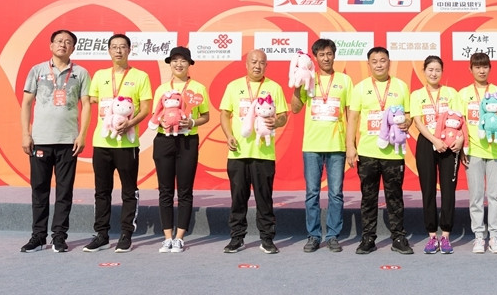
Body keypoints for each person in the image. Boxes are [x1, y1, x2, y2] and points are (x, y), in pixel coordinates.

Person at [19, 29, 91, 253]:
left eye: (68, 42)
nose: (63, 45)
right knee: (39, 190)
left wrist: (82, 135)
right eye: (59, 41)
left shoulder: (81, 73)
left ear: (73, 48)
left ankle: (59, 236)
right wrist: (25, 134)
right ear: (51, 46)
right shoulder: (37, 70)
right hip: (40, 140)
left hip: (68, 141)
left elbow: (86, 104)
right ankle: (38, 236)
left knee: (64, 191)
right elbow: (26, 103)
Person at [84, 33, 152, 253]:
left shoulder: (140, 76)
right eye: (114, 47)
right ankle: (101, 235)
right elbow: (91, 99)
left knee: (129, 191)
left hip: (127, 145)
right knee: (101, 191)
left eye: (123, 47)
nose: (118, 51)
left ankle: (126, 234)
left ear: (129, 50)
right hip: (102, 142)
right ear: (109, 51)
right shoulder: (100, 75)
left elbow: (145, 108)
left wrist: (129, 122)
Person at [220, 49, 288, 254]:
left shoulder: (274, 87)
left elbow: (283, 115)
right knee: (238, 198)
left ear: (266, 65)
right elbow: (224, 114)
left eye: (262, 62)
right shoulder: (233, 86)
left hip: (263, 154)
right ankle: (236, 238)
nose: (257, 66)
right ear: (246, 64)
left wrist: (277, 121)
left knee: (264, 199)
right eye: (254, 62)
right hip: (238, 152)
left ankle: (267, 239)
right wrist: (228, 136)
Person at [346, 46, 413, 255]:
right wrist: (350, 147)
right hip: (367, 152)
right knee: (368, 197)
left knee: (395, 197)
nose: (379, 65)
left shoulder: (401, 86)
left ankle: (398, 237)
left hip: (394, 153)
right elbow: (352, 119)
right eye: (374, 61)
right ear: (368, 65)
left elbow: (408, 115)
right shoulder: (360, 88)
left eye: (383, 60)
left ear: (389, 62)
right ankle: (368, 238)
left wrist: (407, 122)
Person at [290, 38, 353, 253]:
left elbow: (351, 114)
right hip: (312, 145)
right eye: (321, 55)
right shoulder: (308, 78)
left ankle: (333, 235)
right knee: (312, 193)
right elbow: (295, 109)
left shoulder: (345, 80)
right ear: (315, 58)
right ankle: (314, 236)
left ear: (334, 55)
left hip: (337, 145)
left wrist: (351, 144)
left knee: (336, 193)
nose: (326, 58)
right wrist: (297, 86)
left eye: (329, 54)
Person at [151, 46, 210, 253]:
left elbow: (205, 116)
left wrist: (192, 122)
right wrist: (160, 121)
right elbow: (156, 114)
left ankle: (180, 237)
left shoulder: (198, 88)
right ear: (169, 64)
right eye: (175, 60)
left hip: (187, 141)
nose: (179, 64)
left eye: (183, 60)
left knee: (185, 190)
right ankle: (167, 237)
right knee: (165, 189)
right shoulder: (161, 89)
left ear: (189, 64)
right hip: (164, 140)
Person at [410, 55, 463, 254]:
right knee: (428, 189)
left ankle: (446, 235)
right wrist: (434, 140)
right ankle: (432, 235)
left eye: (437, 70)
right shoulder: (417, 95)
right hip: (427, 143)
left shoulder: (451, 93)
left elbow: (461, 120)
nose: (434, 73)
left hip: (450, 143)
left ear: (442, 72)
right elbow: (418, 122)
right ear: (424, 71)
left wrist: (460, 140)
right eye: (430, 70)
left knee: (449, 190)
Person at [458, 52, 497, 254]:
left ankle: (494, 236)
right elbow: (460, 123)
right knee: (476, 196)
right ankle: (478, 236)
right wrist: (463, 147)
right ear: (470, 69)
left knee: (495, 196)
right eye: (477, 67)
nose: (481, 70)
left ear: (490, 68)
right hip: (474, 151)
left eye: (485, 66)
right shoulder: (463, 94)